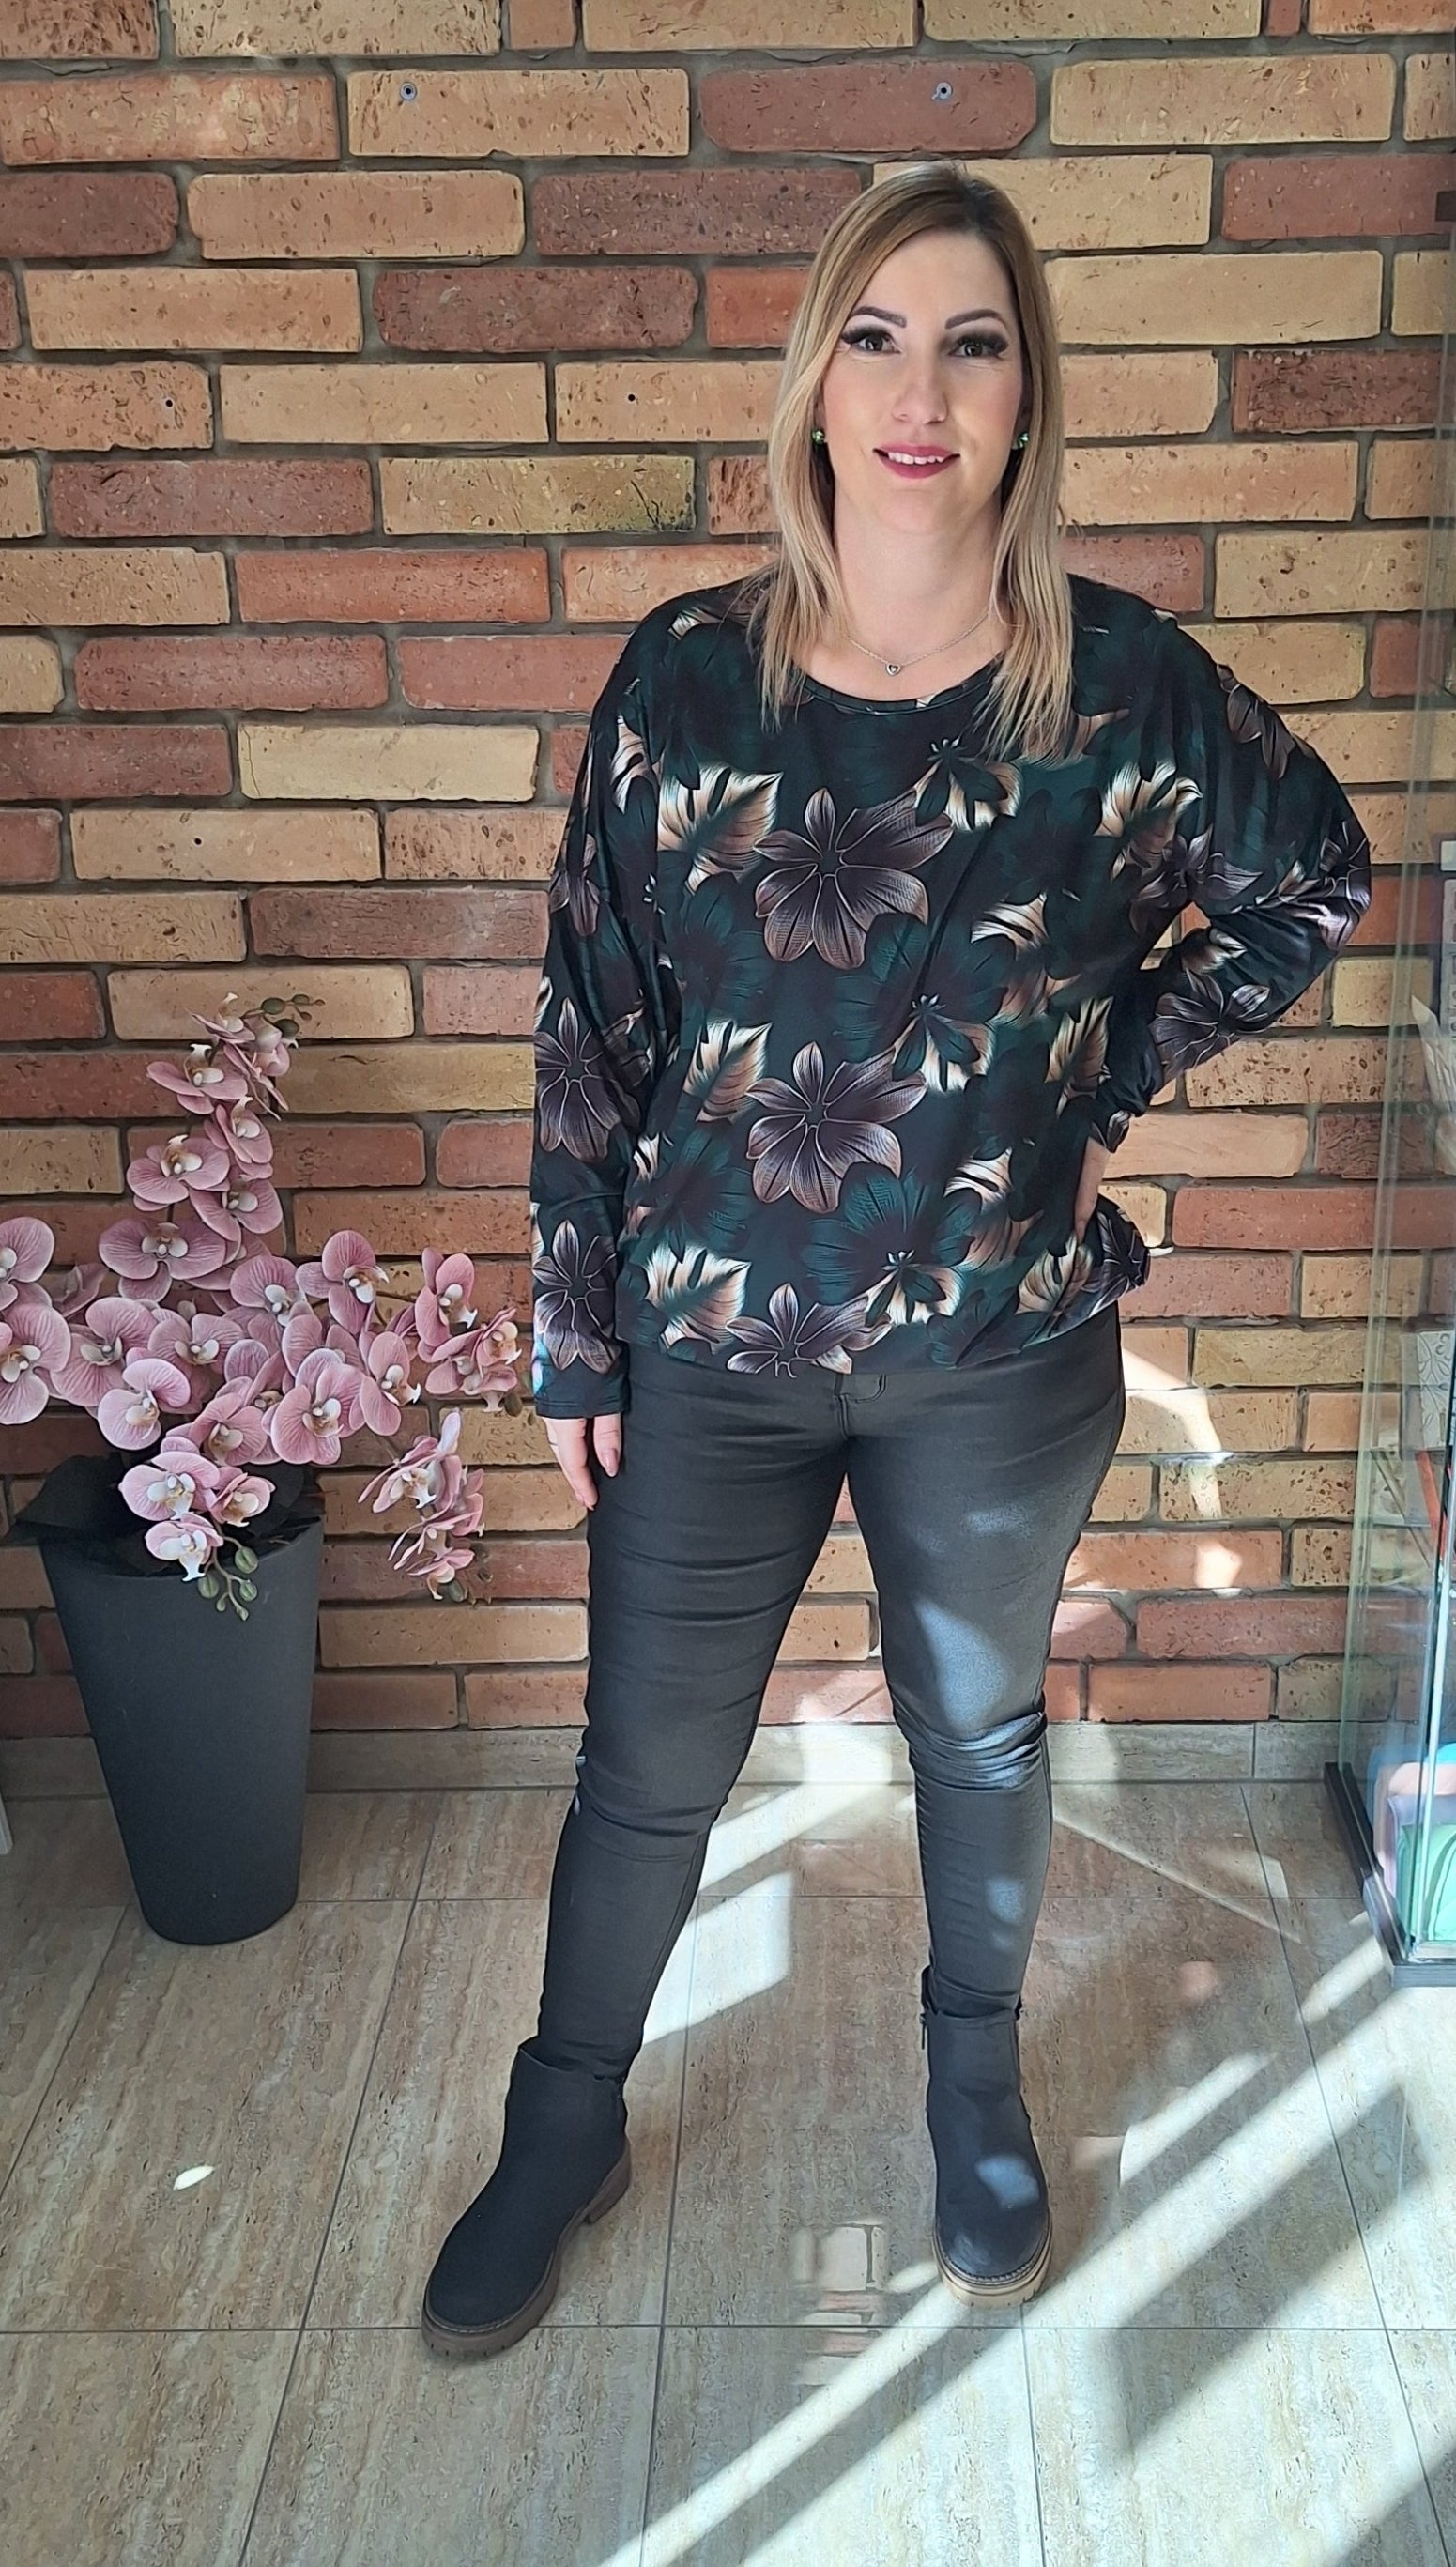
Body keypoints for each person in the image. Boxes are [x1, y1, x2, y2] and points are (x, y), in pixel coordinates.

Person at [421, 162, 1372, 2360]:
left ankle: (970, 2089)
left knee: (975, 1737)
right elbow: (591, 1020)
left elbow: (1308, 877)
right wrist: (569, 1332)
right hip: (708, 1342)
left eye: (967, 342)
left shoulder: (1118, 690)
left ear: (1024, 395)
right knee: (645, 1769)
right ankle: (563, 2118)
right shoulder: (685, 680)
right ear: (814, 383)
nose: (916, 391)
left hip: (994, 1348)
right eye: (872, 336)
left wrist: (1097, 1067)